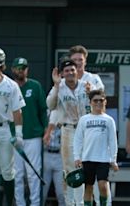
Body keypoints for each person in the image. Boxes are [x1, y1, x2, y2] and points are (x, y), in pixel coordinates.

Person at [46, 59, 95, 205]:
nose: (70, 73)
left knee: (88, 168)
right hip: (68, 130)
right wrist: (55, 85)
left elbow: (99, 104)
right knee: (69, 170)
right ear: (61, 73)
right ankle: (70, 202)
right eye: (66, 71)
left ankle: (84, 202)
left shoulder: (86, 85)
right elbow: (50, 105)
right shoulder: (59, 87)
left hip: (86, 130)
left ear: (77, 71)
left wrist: (91, 93)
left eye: (72, 70)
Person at [68, 44, 110, 205]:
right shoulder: (66, 80)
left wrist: (90, 91)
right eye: (74, 60)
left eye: (80, 59)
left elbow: (102, 98)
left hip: (95, 130)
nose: (78, 63)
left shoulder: (93, 79)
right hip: (73, 131)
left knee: (101, 179)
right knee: (77, 174)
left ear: (85, 61)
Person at [0, 47, 26, 206]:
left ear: (0, 62)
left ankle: (9, 203)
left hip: (3, 129)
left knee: (8, 172)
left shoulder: (11, 85)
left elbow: (17, 111)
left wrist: (19, 134)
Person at [10, 57, 48, 206]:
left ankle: (35, 204)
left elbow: (43, 110)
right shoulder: (9, 86)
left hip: (33, 136)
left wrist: (46, 129)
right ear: (12, 69)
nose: (21, 71)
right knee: (17, 174)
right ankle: (20, 204)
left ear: (27, 69)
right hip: (14, 136)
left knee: (34, 174)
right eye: (18, 68)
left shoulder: (35, 86)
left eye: (23, 68)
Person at [74, 89, 119, 206]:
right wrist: (77, 157)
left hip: (103, 159)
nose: (98, 103)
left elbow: (113, 141)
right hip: (87, 158)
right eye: (95, 100)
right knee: (88, 187)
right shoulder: (84, 119)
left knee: (103, 185)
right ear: (90, 103)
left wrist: (113, 159)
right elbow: (78, 139)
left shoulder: (109, 120)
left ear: (105, 102)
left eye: (101, 100)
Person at [42, 110, 65, 206]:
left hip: (60, 155)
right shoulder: (44, 113)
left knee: (61, 193)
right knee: (42, 192)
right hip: (46, 154)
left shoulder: (65, 113)